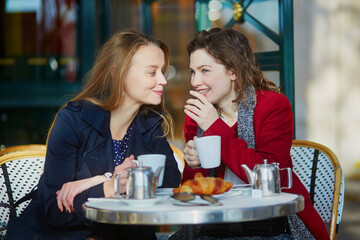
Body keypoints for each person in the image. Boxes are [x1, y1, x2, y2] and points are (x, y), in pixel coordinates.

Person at [7, 29, 181, 240]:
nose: (163, 80)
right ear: (118, 73)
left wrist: (98, 181)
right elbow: (55, 211)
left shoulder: (150, 122)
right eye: (152, 72)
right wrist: (109, 184)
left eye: (163, 71)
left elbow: (170, 179)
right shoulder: (73, 120)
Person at [175, 28, 329, 240]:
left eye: (205, 71)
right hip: (213, 228)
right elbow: (193, 192)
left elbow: (266, 175)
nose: (195, 81)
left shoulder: (273, 106)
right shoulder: (196, 116)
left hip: (270, 226)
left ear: (233, 72)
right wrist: (194, 164)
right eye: (193, 72)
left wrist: (214, 125)